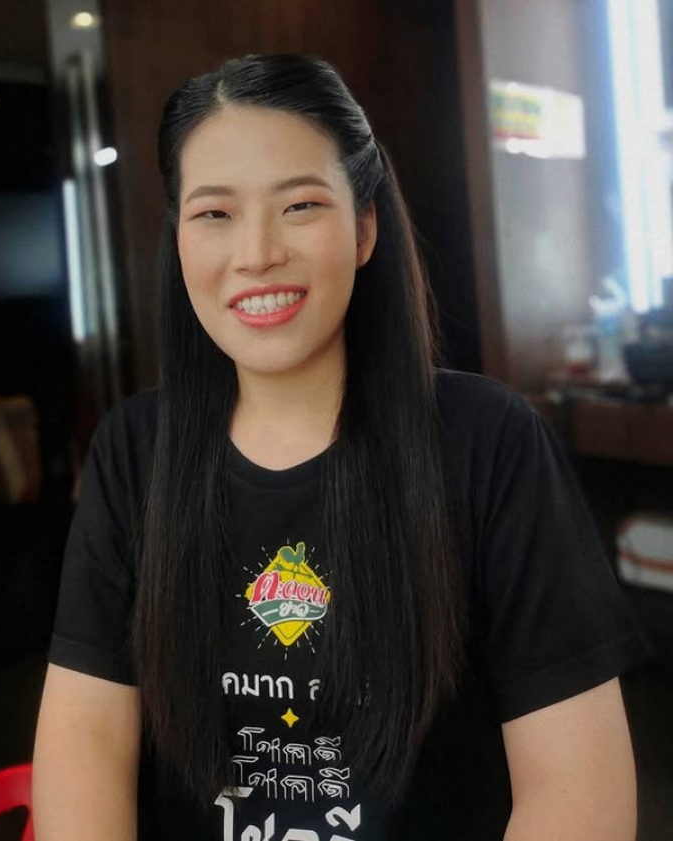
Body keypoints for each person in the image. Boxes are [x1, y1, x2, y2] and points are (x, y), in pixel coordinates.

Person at [32, 53, 654, 840]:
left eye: (299, 205)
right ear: (178, 238)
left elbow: (578, 784)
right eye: (215, 213)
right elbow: (84, 741)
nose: (256, 253)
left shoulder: (489, 441)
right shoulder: (134, 452)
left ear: (364, 227)